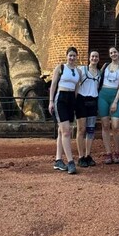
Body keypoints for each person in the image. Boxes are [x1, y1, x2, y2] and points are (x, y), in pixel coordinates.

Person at [48, 47, 82, 175]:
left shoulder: (78, 71)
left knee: (61, 131)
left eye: (74, 55)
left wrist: (75, 102)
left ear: (77, 56)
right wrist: (51, 101)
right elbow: (53, 85)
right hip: (61, 98)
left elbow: (77, 87)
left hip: (71, 99)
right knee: (66, 131)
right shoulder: (60, 68)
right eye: (70, 55)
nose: (72, 58)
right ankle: (71, 161)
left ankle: (58, 160)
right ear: (66, 56)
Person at [98, 46, 119, 164]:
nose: (113, 54)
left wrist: (115, 101)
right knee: (105, 125)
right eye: (111, 53)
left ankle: (117, 151)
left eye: (115, 52)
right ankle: (108, 152)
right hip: (103, 96)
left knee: (115, 126)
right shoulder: (105, 66)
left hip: (115, 96)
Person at [76, 51, 101, 167]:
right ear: (89, 58)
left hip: (93, 101)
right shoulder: (82, 69)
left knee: (91, 130)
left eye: (96, 56)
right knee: (81, 129)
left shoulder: (100, 73)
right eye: (92, 56)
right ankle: (80, 156)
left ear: (98, 59)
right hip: (82, 100)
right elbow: (76, 83)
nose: (94, 58)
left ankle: (88, 155)